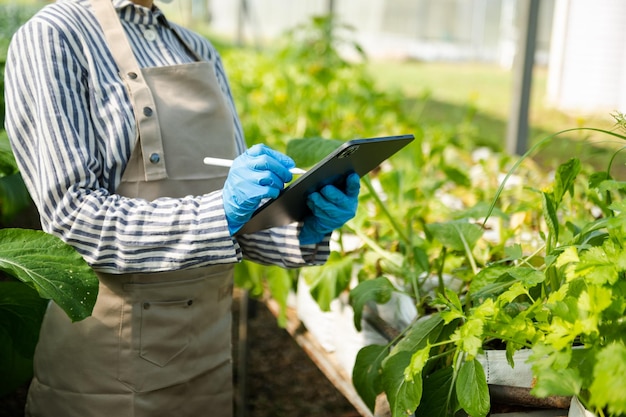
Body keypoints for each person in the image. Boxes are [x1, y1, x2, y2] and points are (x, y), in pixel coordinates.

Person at [3, 0, 360, 416]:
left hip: (208, 355)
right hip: (110, 370)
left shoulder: (197, 49)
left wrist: (303, 225)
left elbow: (237, 219)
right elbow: (73, 220)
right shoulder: (57, 35)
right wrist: (219, 213)